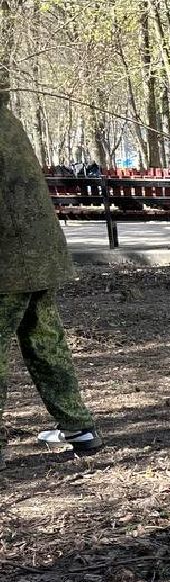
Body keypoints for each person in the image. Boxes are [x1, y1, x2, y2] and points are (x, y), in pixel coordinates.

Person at [0, 85, 103, 467]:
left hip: (9, 260)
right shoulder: (7, 119)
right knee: (46, 342)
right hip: (36, 255)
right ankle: (78, 427)